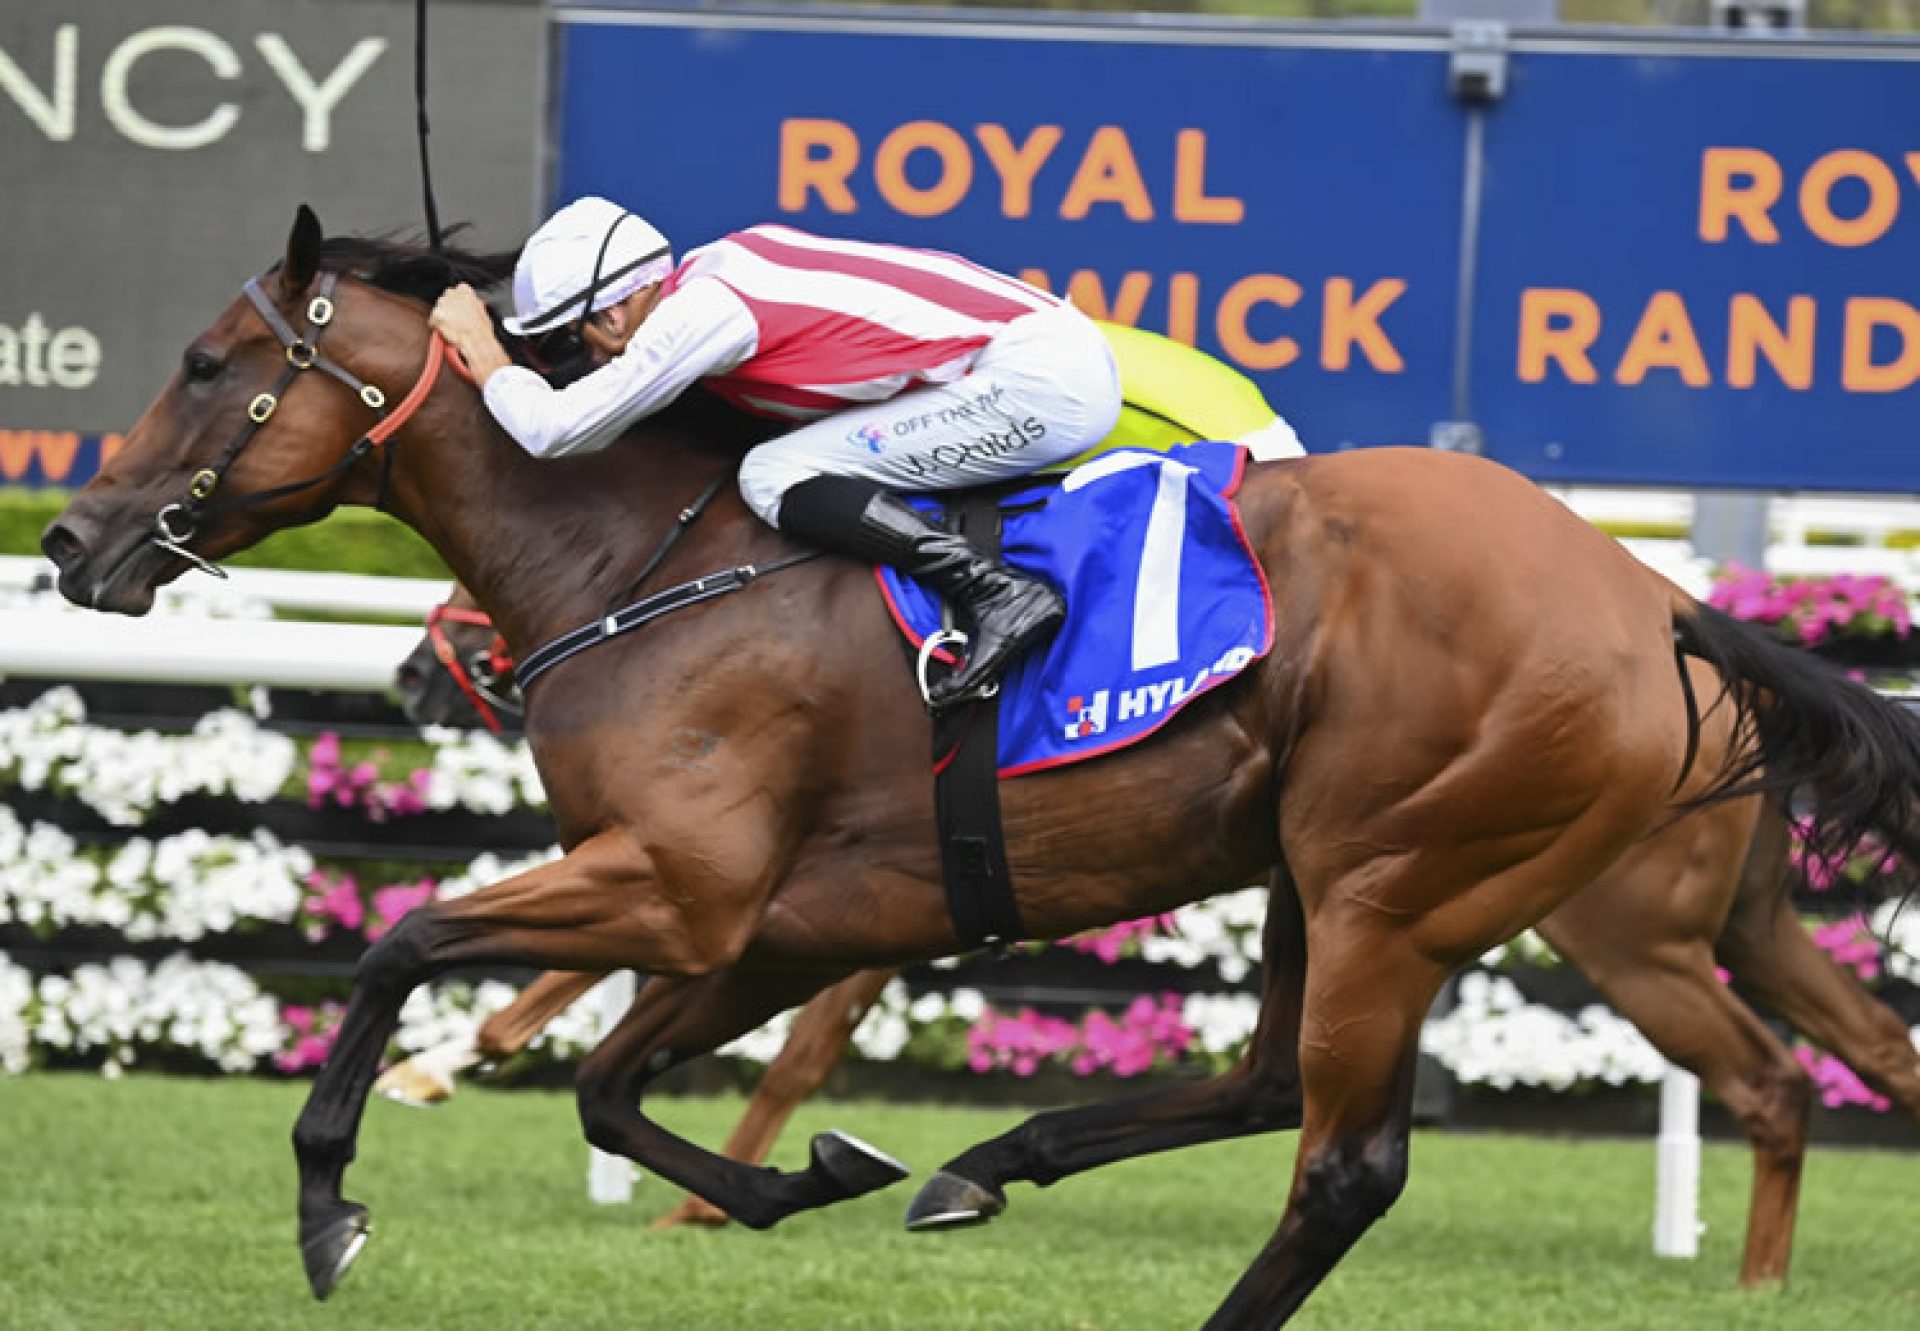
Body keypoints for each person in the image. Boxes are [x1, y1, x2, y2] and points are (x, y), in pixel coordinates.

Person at [430, 196, 1122, 710]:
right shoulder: (716, 271)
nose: (584, 359)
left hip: (1041, 385)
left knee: (773, 472)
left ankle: (995, 591)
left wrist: (486, 353)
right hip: (1041, 359)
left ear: (611, 312)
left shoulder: (702, 314)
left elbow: (555, 431)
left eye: (568, 340)